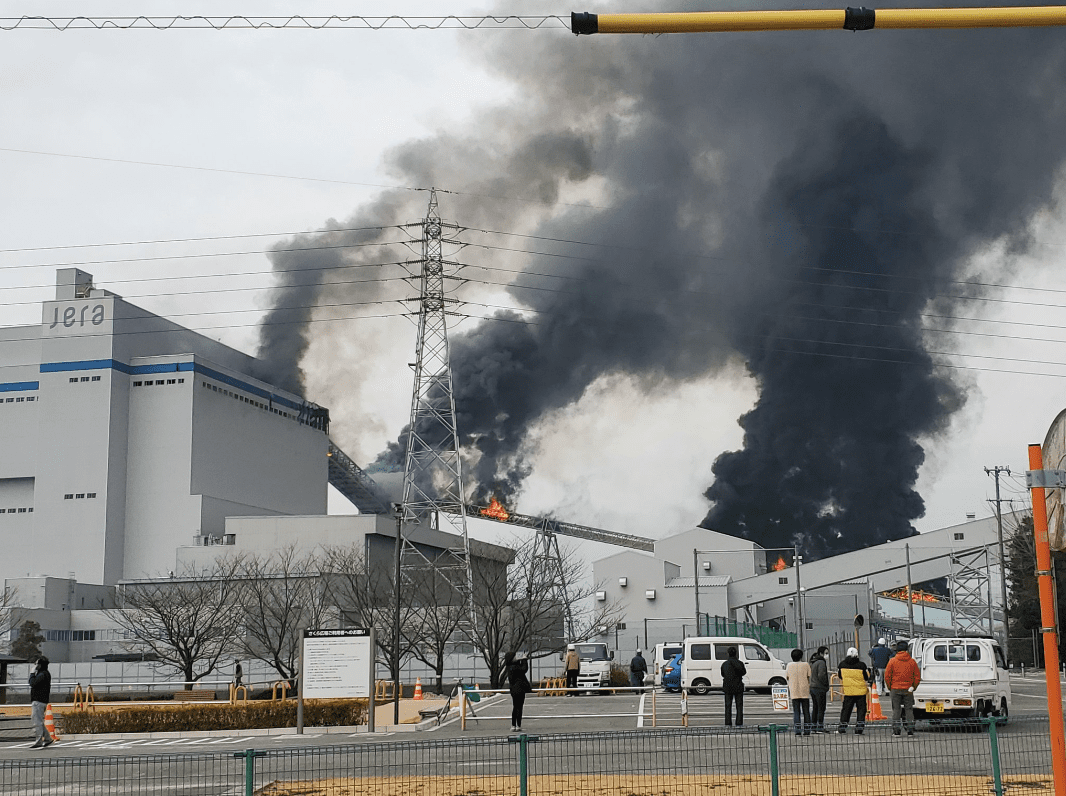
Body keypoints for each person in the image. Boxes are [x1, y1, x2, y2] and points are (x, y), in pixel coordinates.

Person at [884, 639, 921, 736]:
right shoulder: (912, 662)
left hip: (895, 688)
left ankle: (896, 731)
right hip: (908, 689)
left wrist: (890, 687)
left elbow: (887, 676)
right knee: (909, 709)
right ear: (907, 650)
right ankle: (910, 730)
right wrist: (913, 687)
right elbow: (917, 676)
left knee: (896, 710)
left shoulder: (892, 661)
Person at [837, 646, 872, 735]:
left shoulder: (842, 665)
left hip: (849, 691)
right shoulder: (861, 665)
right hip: (861, 691)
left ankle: (842, 727)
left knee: (846, 710)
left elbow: (840, 676)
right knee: (861, 710)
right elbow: (866, 677)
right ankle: (859, 729)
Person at [785, 648, 812, 736]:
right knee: (806, 712)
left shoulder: (789, 665)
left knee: (796, 712)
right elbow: (809, 676)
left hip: (794, 690)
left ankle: (797, 730)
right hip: (804, 690)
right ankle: (807, 730)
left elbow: (787, 676)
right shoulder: (806, 664)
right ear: (801, 656)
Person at [505, 652, 533, 732]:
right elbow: (524, 669)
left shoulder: (509, 667)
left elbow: (520, 667)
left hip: (513, 690)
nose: (516, 657)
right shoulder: (515, 667)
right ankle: (518, 725)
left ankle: (513, 725)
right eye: (515, 656)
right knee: (519, 707)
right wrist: (524, 659)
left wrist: (522, 659)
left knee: (515, 707)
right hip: (520, 689)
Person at [29, 656, 53, 749]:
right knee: (39, 721)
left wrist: (32, 673)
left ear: (40, 665)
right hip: (42, 700)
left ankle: (39, 740)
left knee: (37, 721)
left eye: (36, 664)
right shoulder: (45, 673)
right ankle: (47, 738)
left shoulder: (42, 674)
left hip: (38, 700)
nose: (35, 665)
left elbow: (32, 683)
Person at [720, 646, 747, 727]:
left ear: (728, 654)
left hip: (727, 687)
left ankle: (728, 722)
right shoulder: (740, 663)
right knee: (739, 706)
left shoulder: (725, 664)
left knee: (728, 706)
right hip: (738, 686)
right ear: (736, 653)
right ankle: (739, 722)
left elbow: (722, 674)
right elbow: (743, 672)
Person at [809, 646, 830, 733]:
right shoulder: (821, 662)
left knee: (815, 707)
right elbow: (822, 675)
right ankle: (820, 726)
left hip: (813, 687)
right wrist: (825, 685)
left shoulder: (814, 662)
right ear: (821, 653)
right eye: (826, 653)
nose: (827, 655)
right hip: (819, 688)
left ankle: (814, 726)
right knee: (821, 708)